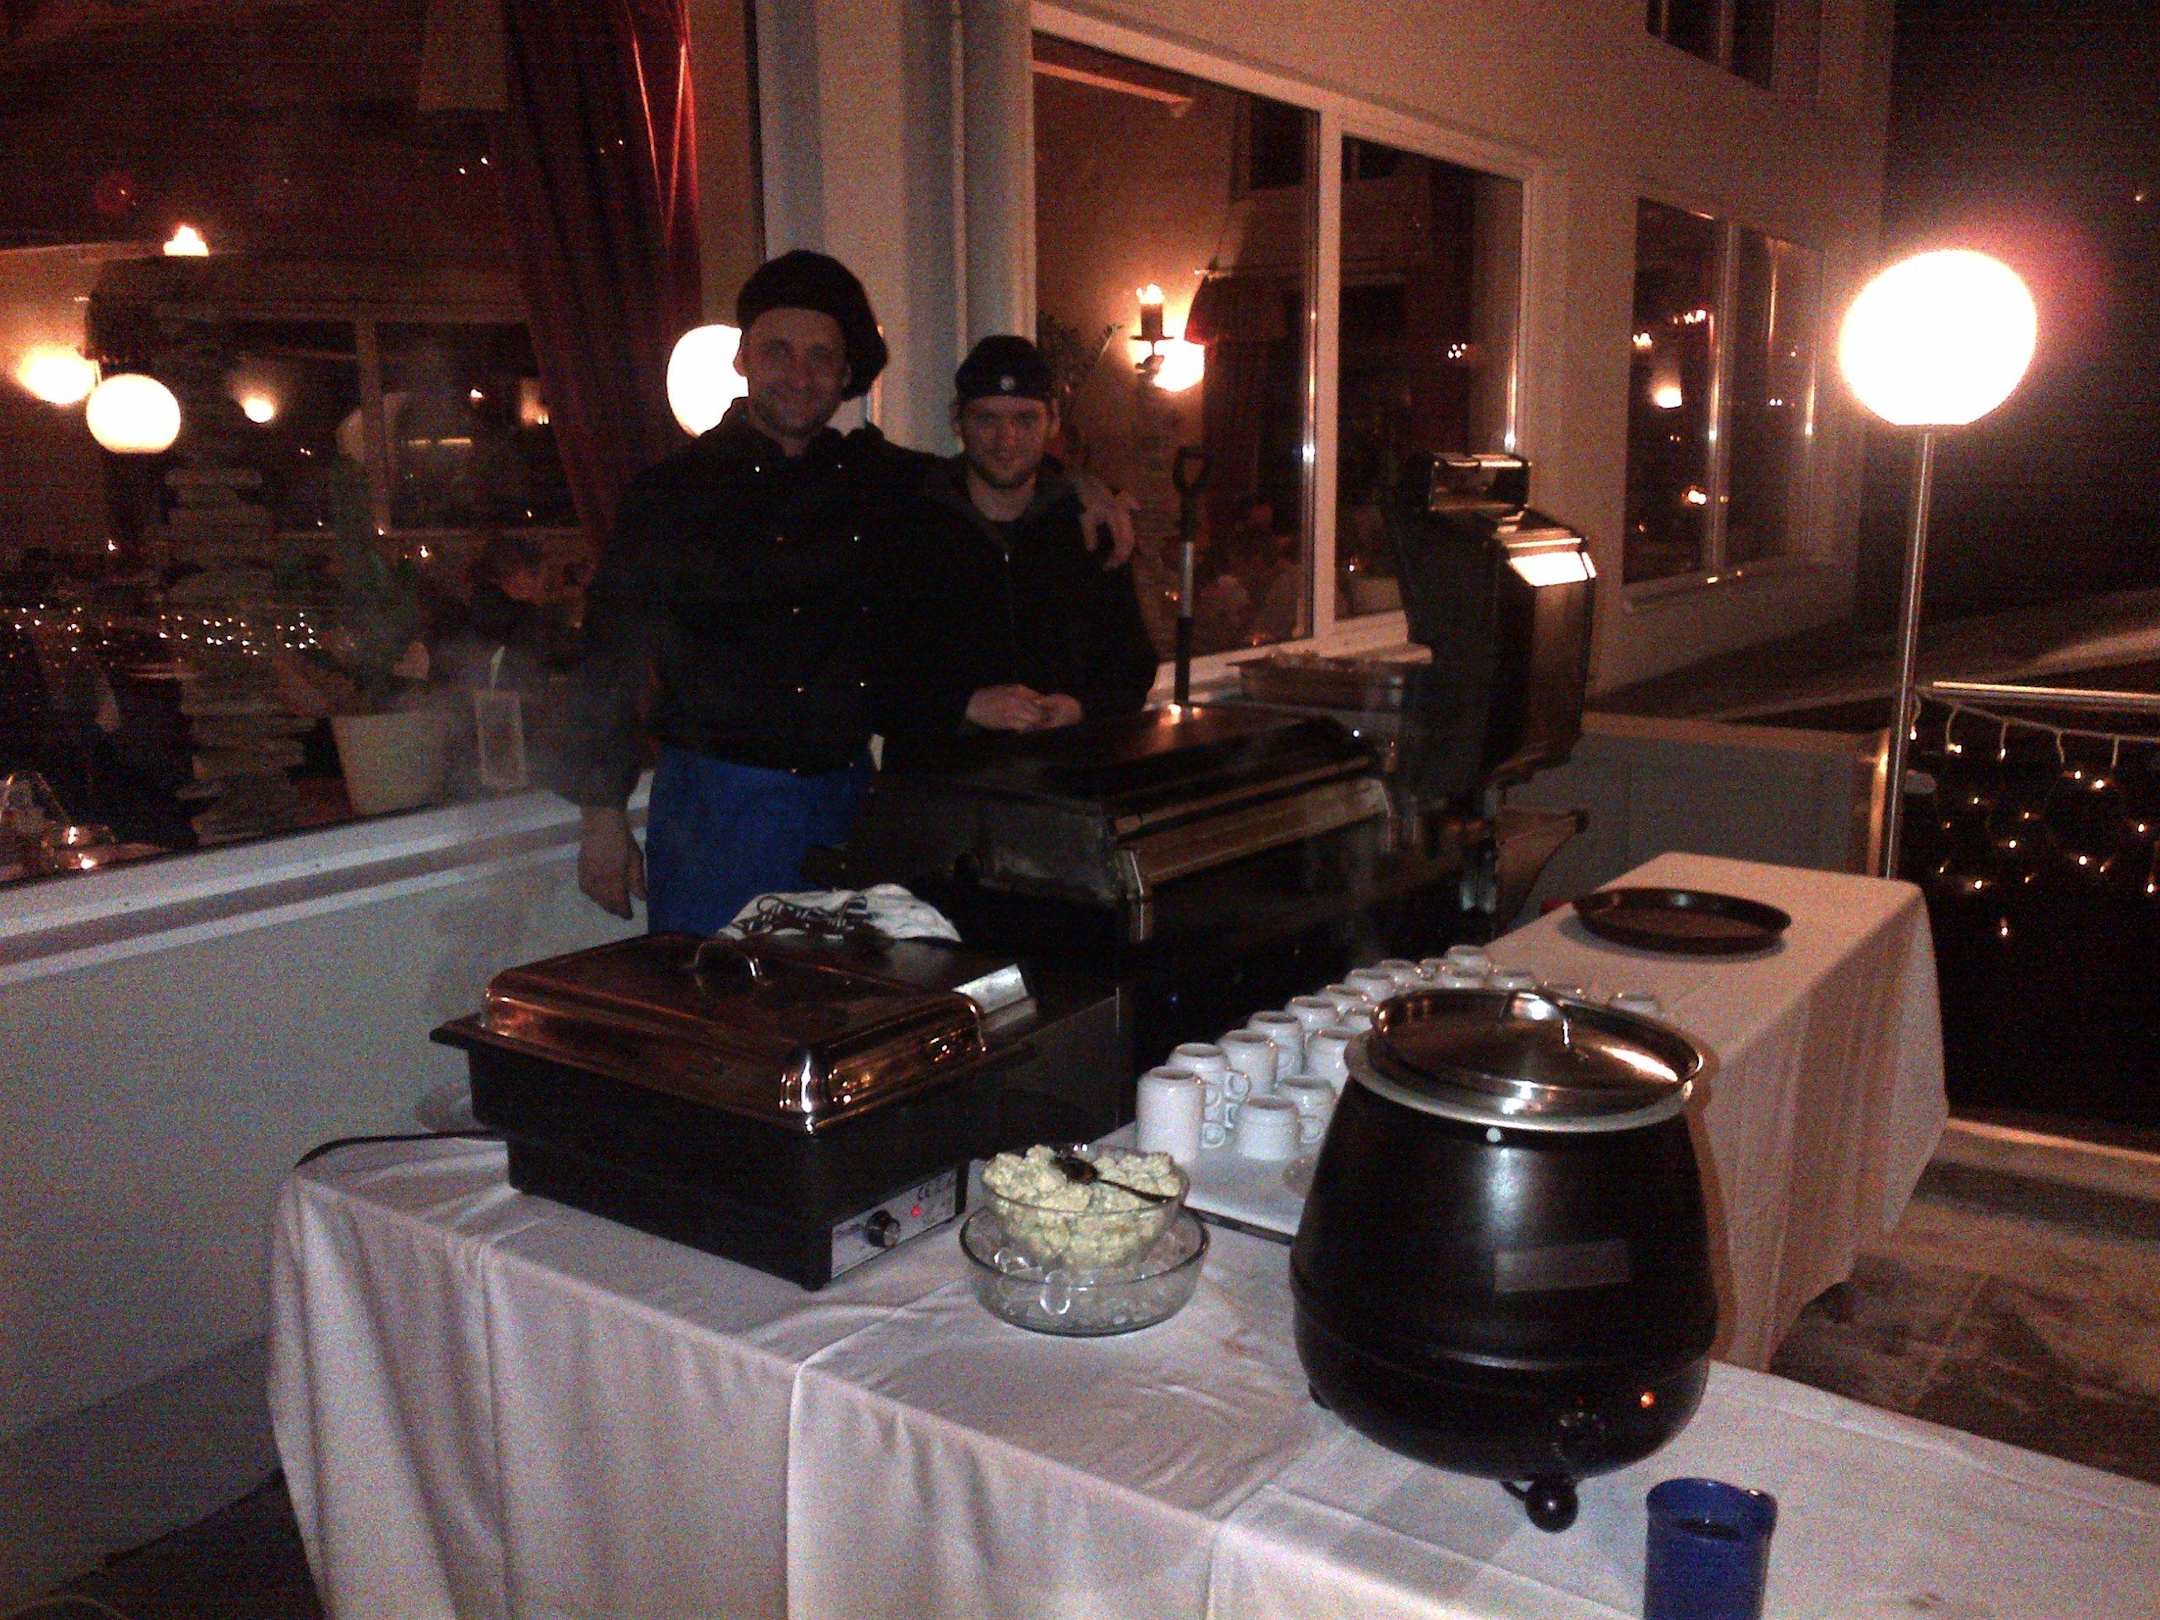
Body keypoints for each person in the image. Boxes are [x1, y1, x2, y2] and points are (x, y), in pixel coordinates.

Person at [557, 255, 1133, 933]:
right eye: (778, 351)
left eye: (821, 356)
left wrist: (1080, 485)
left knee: (855, 990)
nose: (799, 375)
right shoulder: (670, 492)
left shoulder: (877, 477)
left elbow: (995, 467)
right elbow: (609, 656)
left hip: (848, 801)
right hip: (716, 809)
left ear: (844, 372)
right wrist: (601, 817)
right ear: (743, 360)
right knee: (716, 991)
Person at [878, 335, 1158, 768]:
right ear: (957, 420)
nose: (1005, 439)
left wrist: (1080, 707)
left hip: (1064, 784)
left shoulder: (1089, 528)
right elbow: (868, 676)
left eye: (1025, 420)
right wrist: (965, 705)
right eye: (986, 419)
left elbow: (1132, 667)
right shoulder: (906, 526)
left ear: (1053, 421)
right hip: (939, 789)